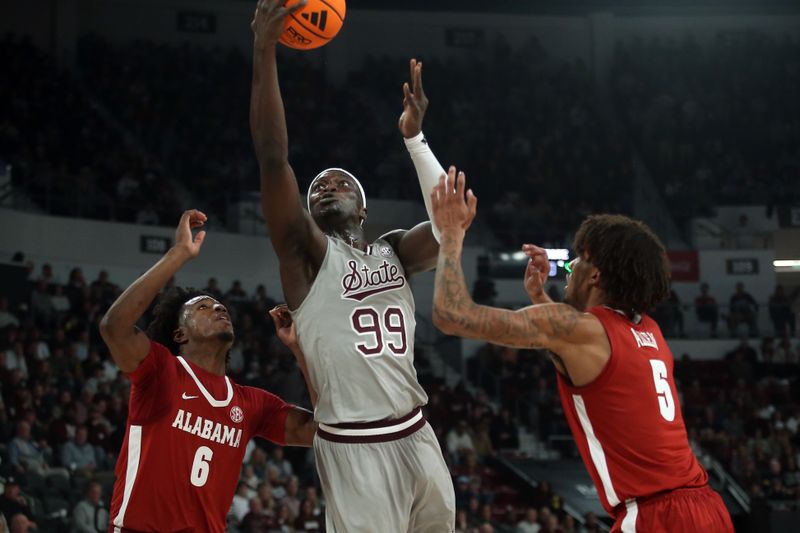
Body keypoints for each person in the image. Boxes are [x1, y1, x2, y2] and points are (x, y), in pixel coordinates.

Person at [429, 169, 733, 532]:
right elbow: (584, 351)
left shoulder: (582, 331)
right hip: (706, 507)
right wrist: (541, 300)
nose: (569, 269)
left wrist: (450, 234)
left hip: (656, 516)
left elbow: (452, 315)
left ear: (596, 276)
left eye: (578, 260)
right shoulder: (650, 330)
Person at [249, 1, 455, 530]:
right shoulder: (307, 254)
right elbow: (274, 158)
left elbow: (446, 227)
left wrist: (414, 138)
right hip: (354, 447)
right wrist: (265, 48)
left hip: (418, 433)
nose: (327, 185)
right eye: (319, 186)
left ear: (363, 208)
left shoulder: (393, 250)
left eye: (341, 182)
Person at [98, 209, 316, 533]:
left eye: (220, 307)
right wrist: (179, 254)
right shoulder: (162, 371)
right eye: (202, 307)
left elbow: (325, 428)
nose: (217, 308)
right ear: (180, 334)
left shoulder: (250, 403)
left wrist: (302, 348)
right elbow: (114, 327)